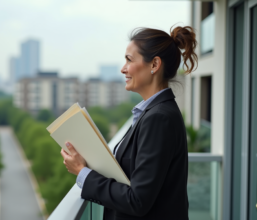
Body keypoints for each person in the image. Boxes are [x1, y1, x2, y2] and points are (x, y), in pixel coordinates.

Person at [61, 26, 198, 220]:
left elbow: (138, 200)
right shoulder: (153, 113)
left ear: (154, 65)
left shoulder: (159, 118)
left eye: (129, 60)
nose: (123, 68)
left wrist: (83, 173)